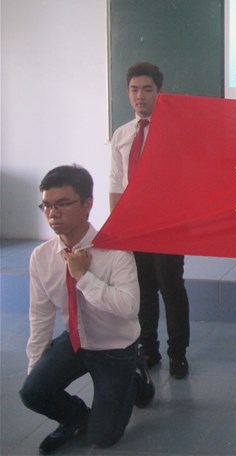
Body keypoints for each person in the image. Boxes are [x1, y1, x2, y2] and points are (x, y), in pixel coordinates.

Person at [20, 165, 155, 455]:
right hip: (75, 341)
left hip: (115, 348)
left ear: (87, 204)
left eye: (63, 204)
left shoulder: (115, 251)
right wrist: (36, 374)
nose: (53, 214)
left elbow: (129, 308)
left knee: (104, 437)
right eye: (47, 205)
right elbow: (40, 316)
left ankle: (135, 377)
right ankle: (76, 419)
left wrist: (83, 277)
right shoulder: (42, 257)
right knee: (31, 392)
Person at [109, 61, 190, 379]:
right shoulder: (121, 134)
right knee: (142, 289)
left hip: (169, 222)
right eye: (134, 89)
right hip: (135, 224)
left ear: (159, 92)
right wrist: (117, 226)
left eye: (147, 89)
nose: (139, 95)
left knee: (171, 287)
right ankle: (148, 349)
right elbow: (116, 183)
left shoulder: (176, 130)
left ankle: (178, 353)